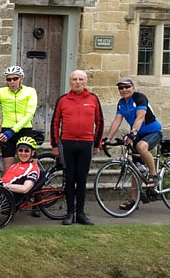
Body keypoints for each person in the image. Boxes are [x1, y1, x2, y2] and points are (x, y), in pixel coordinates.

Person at [50, 70, 103, 226]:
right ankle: (69, 213)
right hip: (67, 143)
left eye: (80, 79)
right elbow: (55, 122)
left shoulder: (93, 99)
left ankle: (81, 213)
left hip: (86, 144)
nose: (77, 82)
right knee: (70, 179)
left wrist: (97, 143)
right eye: (74, 79)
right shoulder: (63, 100)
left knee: (82, 180)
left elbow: (99, 122)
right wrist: (54, 145)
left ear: (85, 82)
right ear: (70, 82)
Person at [103, 77, 163, 210]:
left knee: (141, 146)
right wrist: (107, 138)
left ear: (133, 87)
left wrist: (133, 132)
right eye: (121, 88)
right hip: (137, 134)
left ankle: (154, 175)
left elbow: (140, 117)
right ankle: (133, 201)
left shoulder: (140, 97)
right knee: (135, 167)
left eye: (127, 87)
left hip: (153, 131)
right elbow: (117, 121)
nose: (124, 90)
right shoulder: (121, 103)